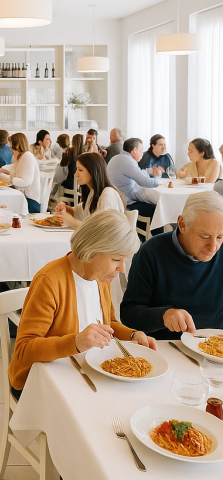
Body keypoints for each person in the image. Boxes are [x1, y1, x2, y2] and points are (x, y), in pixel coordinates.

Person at [8, 210, 155, 480]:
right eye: (116, 259)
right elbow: (24, 350)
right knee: (88, 428)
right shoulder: (50, 280)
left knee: (130, 411)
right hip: (40, 383)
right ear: (90, 251)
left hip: (86, 376)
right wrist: (75, 342)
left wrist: (132, 334)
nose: (122, 269)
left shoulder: (100, 278)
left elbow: (108, 322)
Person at [120, 191, 223, 339]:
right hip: (167, 346)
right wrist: (163, 315)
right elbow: (128, 314)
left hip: (216, 346)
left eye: (220, 237)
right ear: (182, 224)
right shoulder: (152, 252)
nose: (213, 247)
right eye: (204, 236)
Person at [55, 153, 125, 229]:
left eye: (80, 170)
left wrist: (72, 221)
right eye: (76, 169)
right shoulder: (93, 193)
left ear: (93, 171)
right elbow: (79, 212)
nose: (76, 174)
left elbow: (103, 230)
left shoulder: (107, 194)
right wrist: (67, 209)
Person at [107, 138, 161, 236]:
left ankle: (141, 237)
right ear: (134, 150)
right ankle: (158, 240)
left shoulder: (117, 158)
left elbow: (136, 173)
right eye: (141, 150)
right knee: (156, 208)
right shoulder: (127, 161)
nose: (142, 153)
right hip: (126, 204)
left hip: (115, 201)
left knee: (147, 201)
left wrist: (150, 171)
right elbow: (146, 182)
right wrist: (159, 179)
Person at [0, 133, 41, 213]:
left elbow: (25, 182)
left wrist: (3, 177)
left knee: (0, 205)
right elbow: (13, 169)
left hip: (30, 201)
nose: (9, 146)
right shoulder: (21, 156)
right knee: (0, 203)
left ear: (16, 145)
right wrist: (1, 170)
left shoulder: (27, 156)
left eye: (11, 144)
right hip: (22, 197)